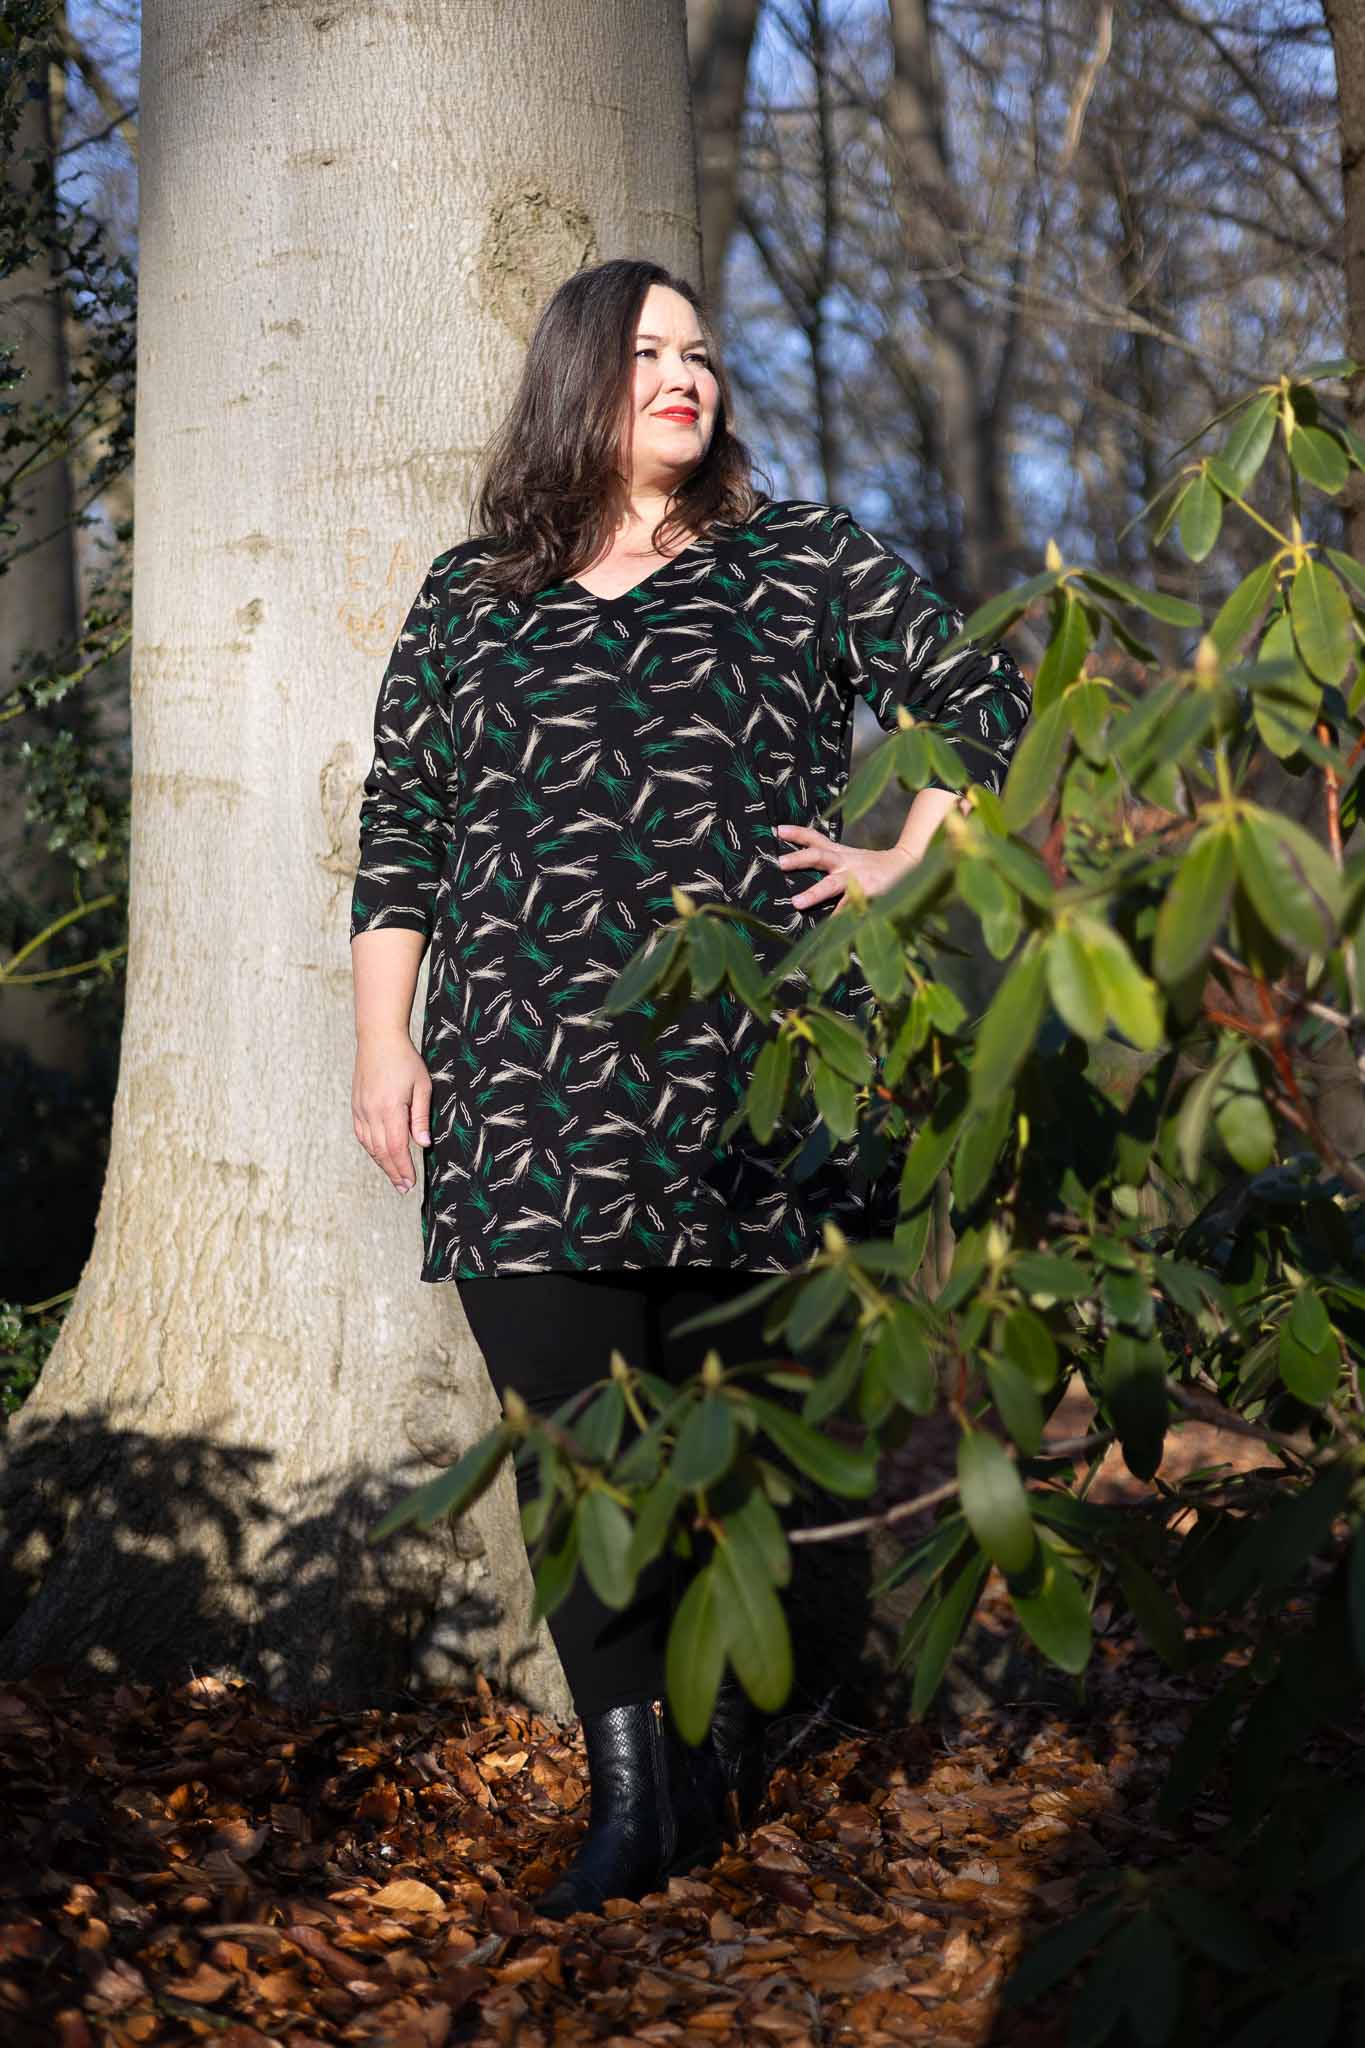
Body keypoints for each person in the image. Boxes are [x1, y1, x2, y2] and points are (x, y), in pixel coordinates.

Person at [349, 258, 1031, 1918]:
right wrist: (384, 1040)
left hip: (753, 1085)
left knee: (736, 1455)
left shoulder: (797, 559)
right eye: (649, 350)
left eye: (701, 352)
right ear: (576, 375)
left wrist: (899, 860)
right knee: (576, 1454)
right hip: (519, 1090)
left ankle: (727, 1766)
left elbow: (987, 699)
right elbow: (403, 827)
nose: (687, 374)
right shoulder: (470, 594)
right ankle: (632, 1798)